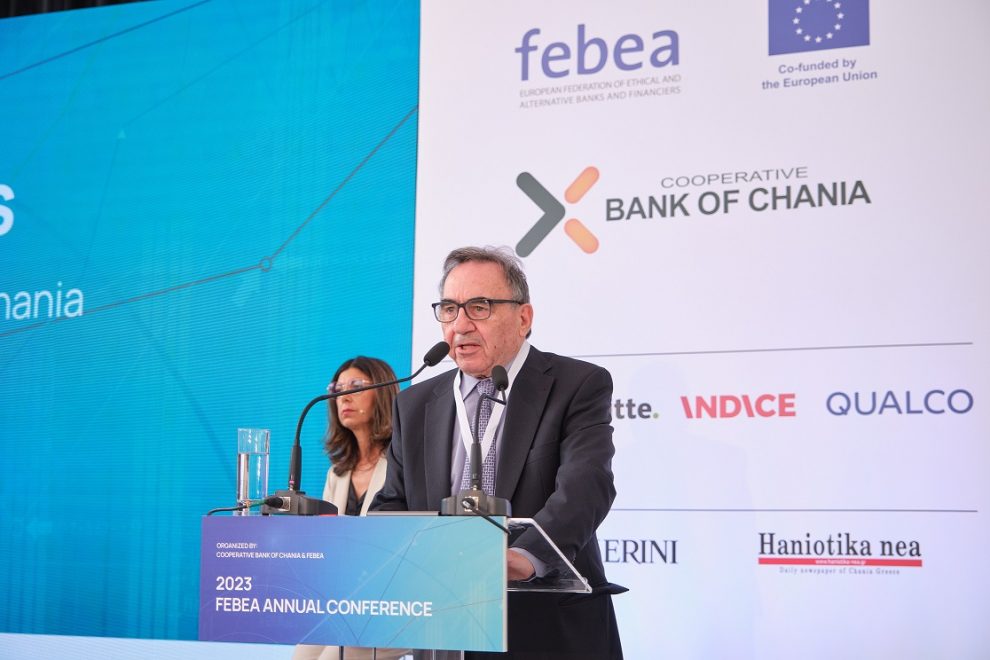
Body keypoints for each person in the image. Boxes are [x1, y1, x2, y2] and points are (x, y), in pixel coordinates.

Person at [372, 246, 623, 659]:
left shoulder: (576, 384)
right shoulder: (414, 404)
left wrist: (524, 556)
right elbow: (393, 503)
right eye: (449, 309)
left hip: (546, 627)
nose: (460, 325)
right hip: (444, 626)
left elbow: (586, 486)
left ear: (523, 318)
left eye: (479, 307)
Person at [293, 356, 409, 660]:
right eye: (337, 389)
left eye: (356, 386)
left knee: (334, 657)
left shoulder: (404, 463)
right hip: (349, 601)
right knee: (302, 655)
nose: (343, 397)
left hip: (398, 601)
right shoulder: (337, 473)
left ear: (382, 393)